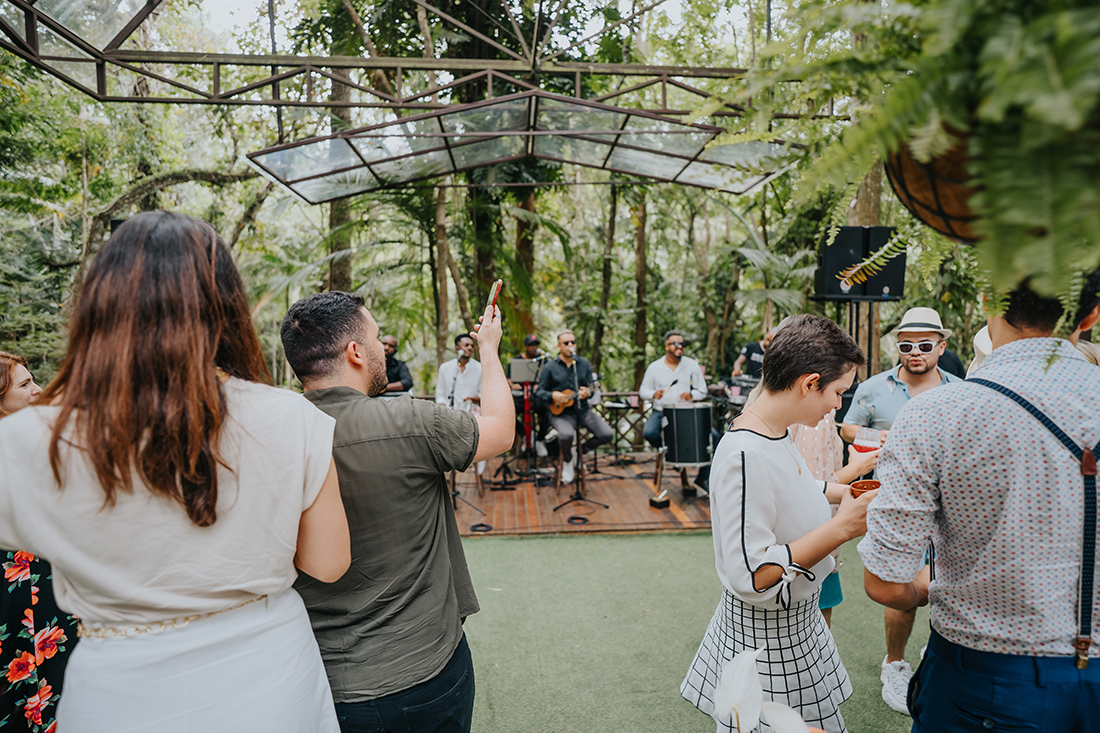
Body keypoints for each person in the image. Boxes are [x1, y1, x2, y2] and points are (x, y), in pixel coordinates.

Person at [0, 212, 351, 732]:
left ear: (101, 307)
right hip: (269, 677)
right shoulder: (292, 416)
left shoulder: (32, 441)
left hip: (120, 690)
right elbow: (328, 563)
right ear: (225, 304)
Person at [860, 270, 1100, 731]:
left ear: (989, 298)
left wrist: (924, 588)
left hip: (985, 678)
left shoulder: (935, 414)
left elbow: (886, 583)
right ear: (1091, 314)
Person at [280, 292, 513, 733]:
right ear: (354, 352)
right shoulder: (412, 422)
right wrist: (489, 349)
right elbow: (500, 432)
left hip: (323, 683)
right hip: (425, 671)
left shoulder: (270, 437)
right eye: (376, 337)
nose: (380, 346)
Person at [681, 314, 875, 733]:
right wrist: (843, 527)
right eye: (838, 392)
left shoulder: (775, 429)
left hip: (794, 625)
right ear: (809, 383)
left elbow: (801, 488)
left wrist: (852, 493)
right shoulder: (743, 455)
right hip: (768, 641)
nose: (837, 405)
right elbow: (752, 575)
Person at [838, 305, 960, 714]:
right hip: (894, 505)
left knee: (951, 584)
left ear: (941, 347)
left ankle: (937, 653)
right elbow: (847, 427)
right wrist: (882, 435)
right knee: (898, 589)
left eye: (925, 345)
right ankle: (895, 662)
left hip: (950, 511)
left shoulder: (962, 390)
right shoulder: (874, 387)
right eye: (906, 345)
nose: (915, 352)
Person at [1, 352, 78, 733]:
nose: (38, 390)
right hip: (13, 584)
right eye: (25, 384)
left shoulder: (37, 442)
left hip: (46, 578)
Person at [789, 410, 880, 627]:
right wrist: (857, 468)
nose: (840, 402)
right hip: (816, 534)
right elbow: (814, 484)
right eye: (839, 391)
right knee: (816, 624)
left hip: (793, 533)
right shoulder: (819, 416)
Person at [639, 330, 715, 490]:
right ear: (666, 346)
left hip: (685, 411)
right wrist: (654, 394)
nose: (680, 346)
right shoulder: (654, 367)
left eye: (682, 344)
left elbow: (703, 390)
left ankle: (702, 478)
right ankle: (671, 453)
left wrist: (692, 395)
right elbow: (643, 391)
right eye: (675, 344)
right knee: (649, 433)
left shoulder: (692, 364)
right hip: (662, 411)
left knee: (714, 437)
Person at [535, 331, 613, 484]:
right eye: (566, 343)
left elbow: (592, 388)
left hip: (582, 410)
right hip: (560, 413)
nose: (570, 345)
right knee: (566, 435)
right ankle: (568, 461)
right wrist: (553, 396)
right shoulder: (550, 367)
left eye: (573, 342)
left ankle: (579, 451)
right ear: (559, 346)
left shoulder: (583, 363)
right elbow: (539, 392)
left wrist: (587, 393)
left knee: (607, 434)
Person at [506, 334, 550, 456]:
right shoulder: (516, 361)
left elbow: (548, 379)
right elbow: (508, 379)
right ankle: (526, 435)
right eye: (531, 345)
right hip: (520, 396)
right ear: (525, 347)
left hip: (537, 396)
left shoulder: (543, 361)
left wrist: (540, 386)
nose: (534, 348)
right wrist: (512, 385)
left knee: (548, 411)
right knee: (509, 413)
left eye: (535, 345)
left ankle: (540, 440)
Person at [437, 334, 481, 411]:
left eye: (472, 346)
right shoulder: (445, 368)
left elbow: (483, 395)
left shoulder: (480, 368)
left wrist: (471, 399)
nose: (470, 348)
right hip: (449, 413)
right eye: (466, 345)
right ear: (457, 348)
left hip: (473, 414)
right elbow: (440, 395)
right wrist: (444, 412)